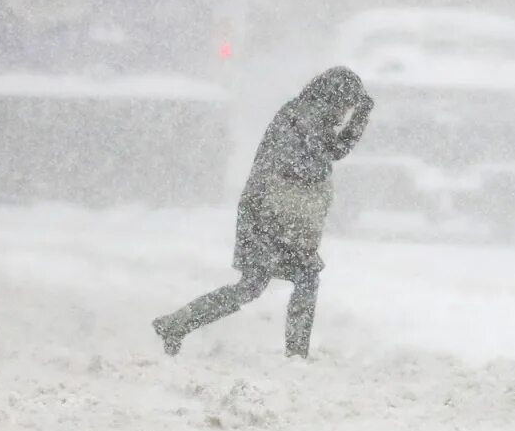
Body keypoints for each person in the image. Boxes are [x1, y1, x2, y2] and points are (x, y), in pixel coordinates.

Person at [153, 67, 374, 359]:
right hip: (269, 218)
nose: (345, 113)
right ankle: (294, 354)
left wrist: (359, 119)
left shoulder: (304, 115)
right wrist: (356, 121)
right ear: (335, 98)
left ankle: (178, 324)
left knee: (275, 282)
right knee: (269, 283)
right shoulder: (302, 118)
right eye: (346, 106)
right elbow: (320, 158)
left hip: (276, 216)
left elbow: (332, 151)